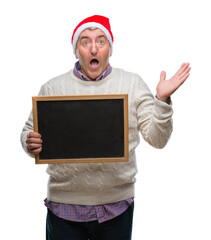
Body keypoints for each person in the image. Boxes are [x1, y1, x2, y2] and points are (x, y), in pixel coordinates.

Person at [20, 15, 191, 240]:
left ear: (110, 48)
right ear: (76, 50)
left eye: (100, 41)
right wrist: (29, 142)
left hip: (116, 208)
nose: (93, 49)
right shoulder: (53, 88)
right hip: (64, 208)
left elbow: (157, 140)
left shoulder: (132, 84)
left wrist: (161, 100)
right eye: (85, 42)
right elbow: (28, 132)